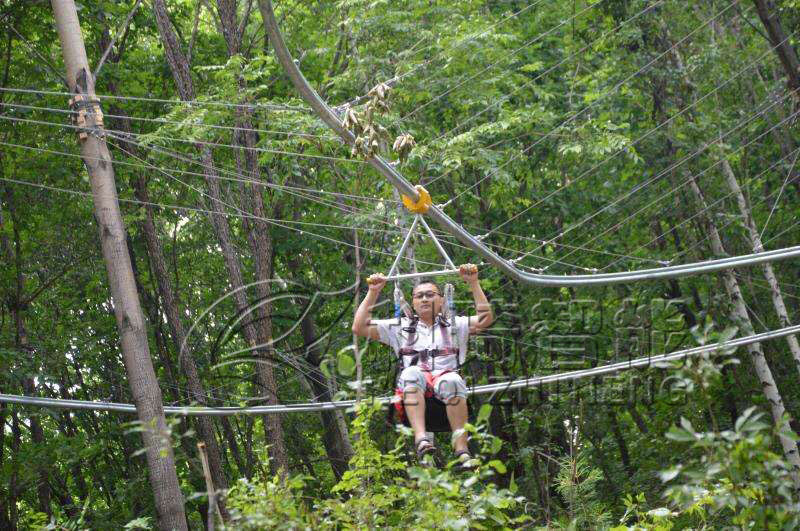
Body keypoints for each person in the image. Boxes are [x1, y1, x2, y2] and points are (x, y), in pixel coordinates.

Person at [351, 263, 494, 463]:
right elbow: (359, 327)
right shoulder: (399, 327)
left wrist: (473, 283)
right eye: (419, 296)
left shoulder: (455, 324)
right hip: (414, 388)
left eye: (430, 294)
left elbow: (485, 319)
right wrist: (373, 292)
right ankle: (421, 439)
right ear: (413, 302)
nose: (425, 298)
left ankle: (461, 449)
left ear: (442, 300)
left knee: (452, 380)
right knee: (411, 373)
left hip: (446, 388)